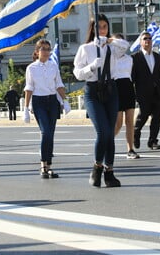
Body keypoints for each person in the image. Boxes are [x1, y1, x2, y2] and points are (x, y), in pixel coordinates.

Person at [73, 14, 128, 188]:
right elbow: (77, 73)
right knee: (103, 131)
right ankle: (97, 166)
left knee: (110, 133)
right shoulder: (86, 48)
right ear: (92, 29)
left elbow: (126, 46)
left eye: (104, 26)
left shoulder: (113, 47)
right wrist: (91, 67)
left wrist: (110, 41)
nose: (102, 30)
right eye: (98, 27)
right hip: (93, 90)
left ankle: (109, 172)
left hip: (111, 89)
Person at [23, 39, 69, 178]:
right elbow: (29, 88)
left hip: (52, 101)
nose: (46, 52)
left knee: (51, 133)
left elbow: (58, 84)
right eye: (43, 49)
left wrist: (65, 101)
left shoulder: (53, 66)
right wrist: (26, 108)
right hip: (39, 101)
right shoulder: (31, 68)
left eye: (48, 49)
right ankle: (43, 165)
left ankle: (49, 165)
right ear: (37, 52)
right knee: (46, 132)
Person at [131, 31, 160, 150]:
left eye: (149, 38)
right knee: (143, 116)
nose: (147, 41)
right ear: (140, 42)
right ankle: (136, 133)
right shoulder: (135, 58)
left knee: (156, 119)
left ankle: (153, 141)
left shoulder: (157, 57)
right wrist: (130, 93)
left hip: (156, 92)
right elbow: (132, 77)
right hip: (143, 93)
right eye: (145, 39)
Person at [111, 33, 139, 159]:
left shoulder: (129, 59)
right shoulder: (111, 58)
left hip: (127, 87)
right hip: (116, 87)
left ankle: (130, 149)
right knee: (118, 123)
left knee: (130, 121)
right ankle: (107, 141)